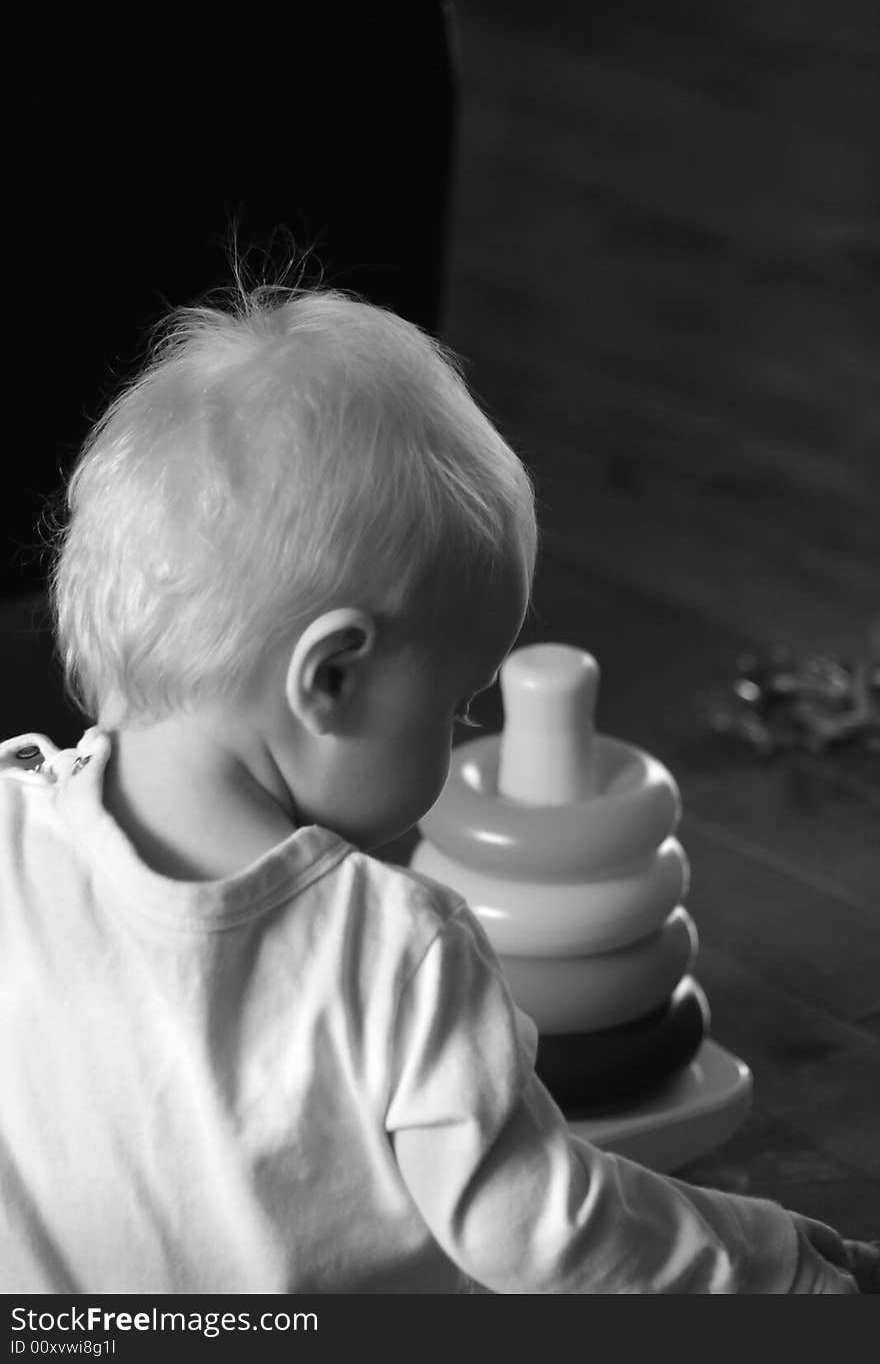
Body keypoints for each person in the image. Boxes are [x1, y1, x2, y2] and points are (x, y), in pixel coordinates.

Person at [1, 278, 876, 1293]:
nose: (463, 732)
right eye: (456, 703)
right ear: (331, 679)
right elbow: (556, 1236)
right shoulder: (394, 952)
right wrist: (774, 1263)